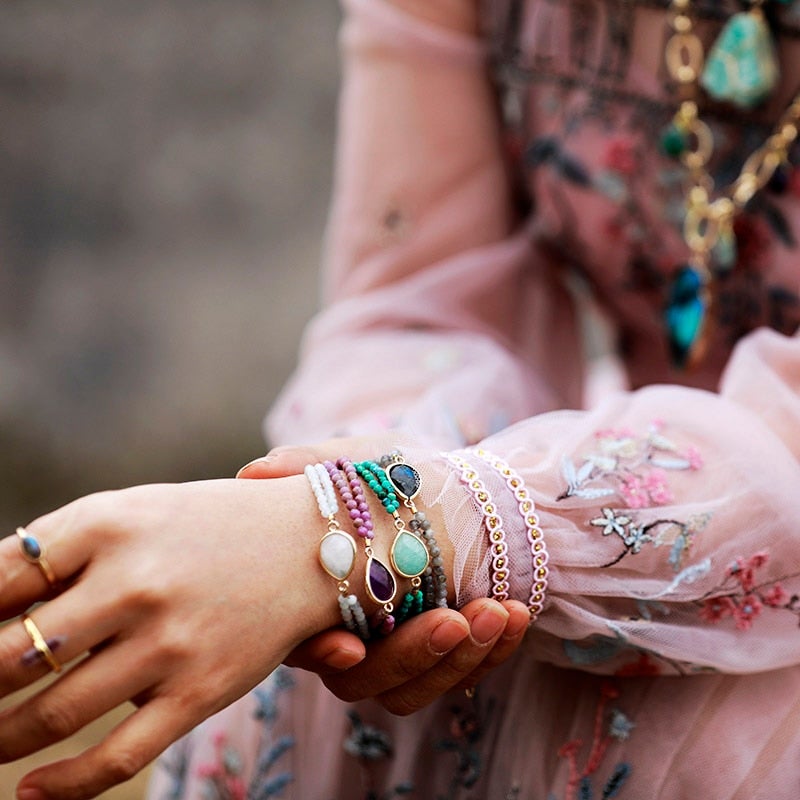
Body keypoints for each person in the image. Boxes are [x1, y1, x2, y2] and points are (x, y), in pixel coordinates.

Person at [5, 0, 800, 797]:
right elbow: (419, 307)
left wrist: (391, 524)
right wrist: (334, 529)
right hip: (607, 481)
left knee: (713, 732)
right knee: (309, 675)